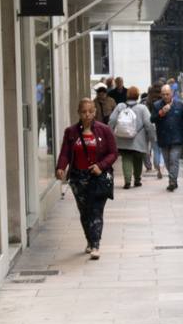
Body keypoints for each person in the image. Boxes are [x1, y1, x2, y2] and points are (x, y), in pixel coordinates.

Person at [55, 97, 117, 259]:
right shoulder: (71, 132)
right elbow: (65, 153)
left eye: (90, 111)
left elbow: (113, 153)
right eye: (84, 112)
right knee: (85, 212)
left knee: (96, 210)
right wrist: (61, 167)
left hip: (98, 177)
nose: (87, 115)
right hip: (78, 178)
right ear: (79, 113)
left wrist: (101, 166)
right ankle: (89, 240)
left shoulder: (104, 130)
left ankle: (96, 244)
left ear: (95, 112)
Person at [110, 85, 156, 189]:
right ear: (137, 96)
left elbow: (112, 120)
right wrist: (152, 137)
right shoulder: (142, 108)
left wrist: (110, 132)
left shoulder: (120, 106)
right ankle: (137, 180)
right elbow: (149, 124)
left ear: (127, 95)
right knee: (138, 159)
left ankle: (127, 181)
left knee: (126, 158)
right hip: (138, 140)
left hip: (122, 139)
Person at [153, 83, 183, 191]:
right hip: (163, 138)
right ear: (161, 94)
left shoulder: (179, 105)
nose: (165, 96)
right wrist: (161, 113)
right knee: (167, 161)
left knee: (174, 160)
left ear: (172, 94)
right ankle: (173, 178)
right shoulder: (156, 105)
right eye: (163, 94)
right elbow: (152, 119)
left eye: (167, 94)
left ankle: (172, 182)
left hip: (177, 138)